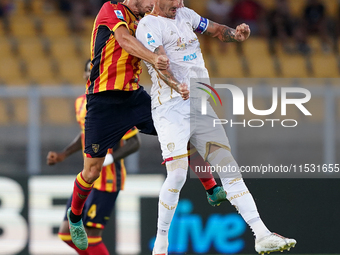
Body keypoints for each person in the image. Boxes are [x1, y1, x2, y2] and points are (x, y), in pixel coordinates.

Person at [135, 1, 296, 254]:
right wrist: (176, 85)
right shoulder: (148, 25)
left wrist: (235, 34)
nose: (178, 3)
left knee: (227, 165)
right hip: (171, 107)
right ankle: (161, 243)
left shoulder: (185, 14)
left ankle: (262, 234)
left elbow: (217, 30)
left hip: (199, 99)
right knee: (177, 174)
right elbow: (158, 62)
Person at [65, 0, 224, 251]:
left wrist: (174, 83)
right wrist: (153, 56)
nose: (152, 4)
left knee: (178, 132)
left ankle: (210, 186)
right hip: (103, 101)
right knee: (92, 171)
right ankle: (75, 218)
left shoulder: (147, 21)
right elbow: (124, 40)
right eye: (149, 0)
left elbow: (160, 59)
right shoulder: (112, 9)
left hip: (133, 97)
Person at [47, 59, 141, 255]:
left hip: (107, 179)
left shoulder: (115, 103)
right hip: (87, 177)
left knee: (91, 235)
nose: (92, 75)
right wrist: (64, 154)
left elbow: (134, 143)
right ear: (84, 75)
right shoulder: (81, 103)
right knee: (66, 233)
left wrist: (109, 159)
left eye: (96, 71)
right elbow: (85, 134)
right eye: (90, 71)